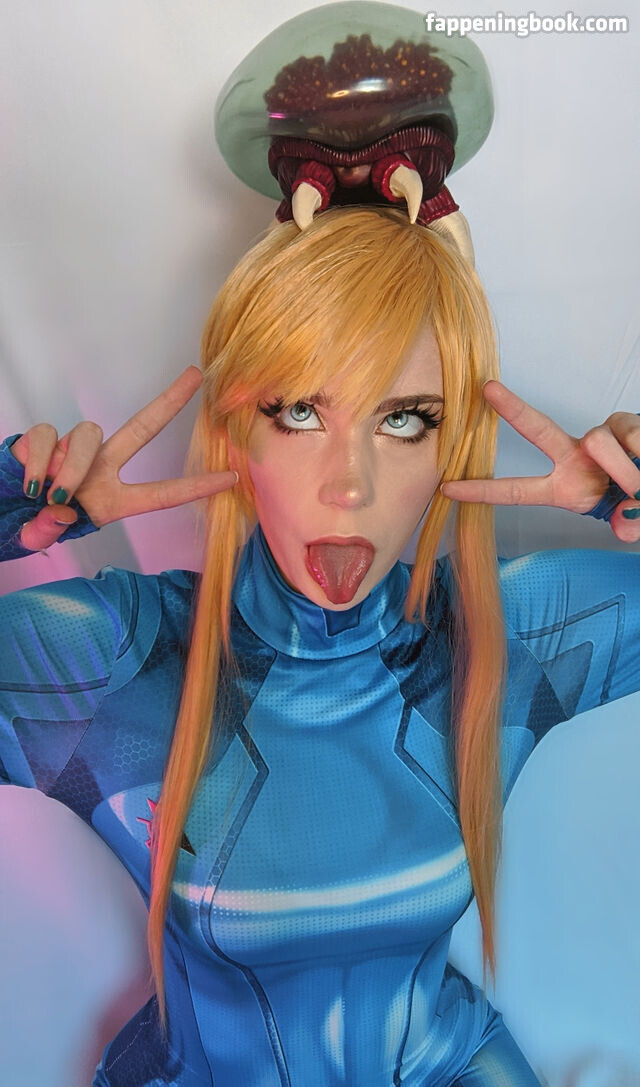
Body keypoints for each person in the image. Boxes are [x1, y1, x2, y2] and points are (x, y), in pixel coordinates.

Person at [1, 206, 639, 1086]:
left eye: (404, 419)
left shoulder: (501, 633)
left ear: (452, 441)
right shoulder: (122, 660)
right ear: (236, 429)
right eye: (300, 411)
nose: (350, 485)